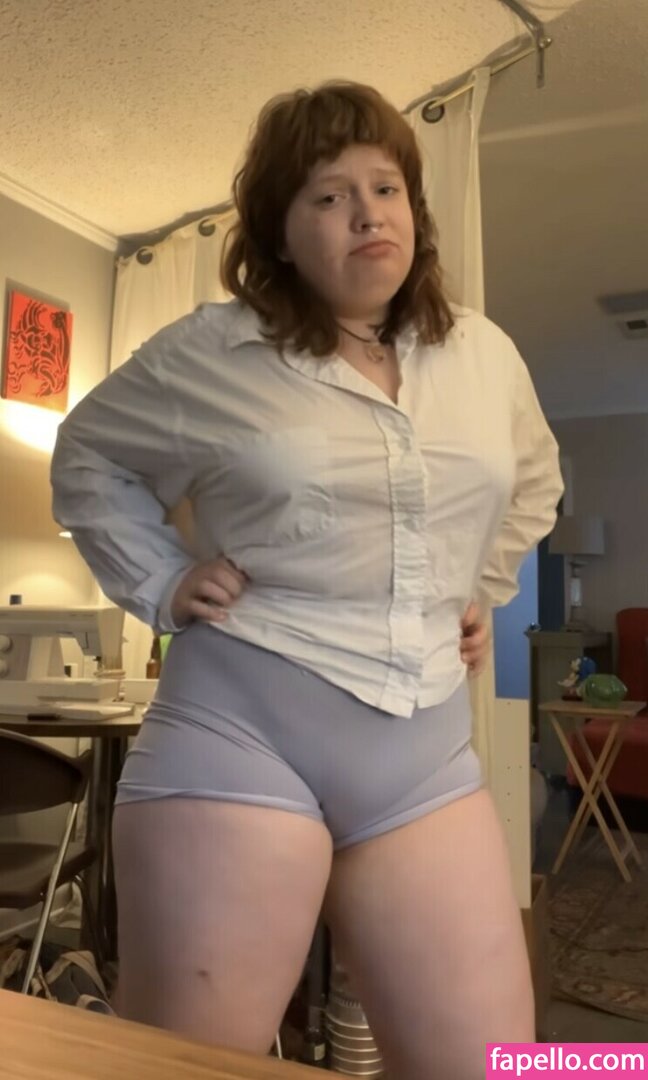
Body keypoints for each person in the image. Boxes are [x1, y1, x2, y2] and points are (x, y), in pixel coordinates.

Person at [51, 80, 563, 1080]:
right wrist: (162, 579)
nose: (368, 213)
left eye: (386, 187)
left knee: (495, 1067)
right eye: (329, 195)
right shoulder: (211, 352)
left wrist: (476, 586)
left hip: (423, 757)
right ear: (279, 235)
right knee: (189, 1070)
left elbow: (534, 482)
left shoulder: (483, 355)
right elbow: (86, 455)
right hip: (239, 737)